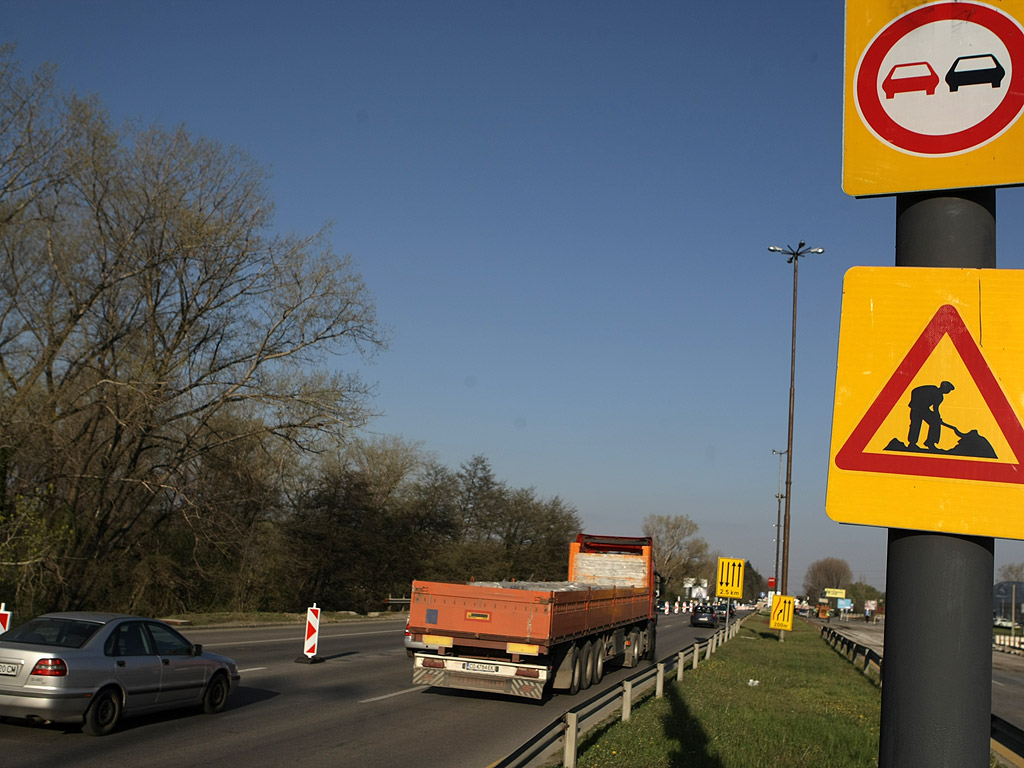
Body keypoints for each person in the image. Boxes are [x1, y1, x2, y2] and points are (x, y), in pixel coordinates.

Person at [907, 381, 954, 450]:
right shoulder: (932, 389)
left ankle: (930, 442)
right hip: (916, 408)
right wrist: (914, 402)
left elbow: (935, 408)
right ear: (944, 388)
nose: (948, 391)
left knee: (935, 423)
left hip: (924, 409)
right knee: (916, 424)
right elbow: (915, 390)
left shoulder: (940, 397)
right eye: (948, 389)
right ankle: (912, 444)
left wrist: (938, 417)